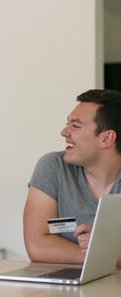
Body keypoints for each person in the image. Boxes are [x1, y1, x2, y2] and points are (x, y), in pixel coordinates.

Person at [23, 89, 121, 267]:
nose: (64, 132)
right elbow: (37, 245)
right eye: (67, 124)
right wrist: (103, 252)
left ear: (107, 138)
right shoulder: (52, 167)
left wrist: (105, 250)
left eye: (75, 126)